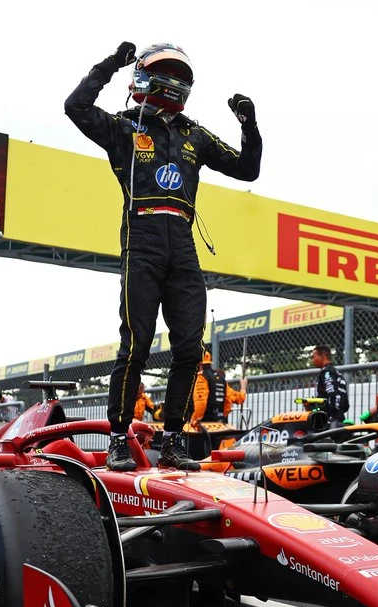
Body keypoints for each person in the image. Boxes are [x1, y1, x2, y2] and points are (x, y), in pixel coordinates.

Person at [65, 41, 262, 471]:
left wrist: (249, 123)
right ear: (142, 79)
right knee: (135, 344)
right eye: (163, 72)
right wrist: (114, 63)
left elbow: (248, 168)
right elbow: (75, 106)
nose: (172, 80)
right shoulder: (123, 127)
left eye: (178, 74)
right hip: (143, 239)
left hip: (184, 246)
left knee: (191, 347)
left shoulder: (195, 135)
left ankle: (173, 440)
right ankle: (118, 438)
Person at [190, 352, 247, 427]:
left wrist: (194, 420)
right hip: (220, 424)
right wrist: (243, 387)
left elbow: (201, 402)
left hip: (204, 426)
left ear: (198, 364)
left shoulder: (201, 377)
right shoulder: (221, 379)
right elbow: (239, 398)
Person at [309, 344, 350, 425]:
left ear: (323, 356)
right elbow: (345, 404)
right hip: (337, 415)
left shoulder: (327, 372)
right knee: (311, 412)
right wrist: (312, 406)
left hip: (329, 418)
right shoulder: (336, 373)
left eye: (314, 356)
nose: (312, 359)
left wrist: (332, 416)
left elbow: (332, 393)